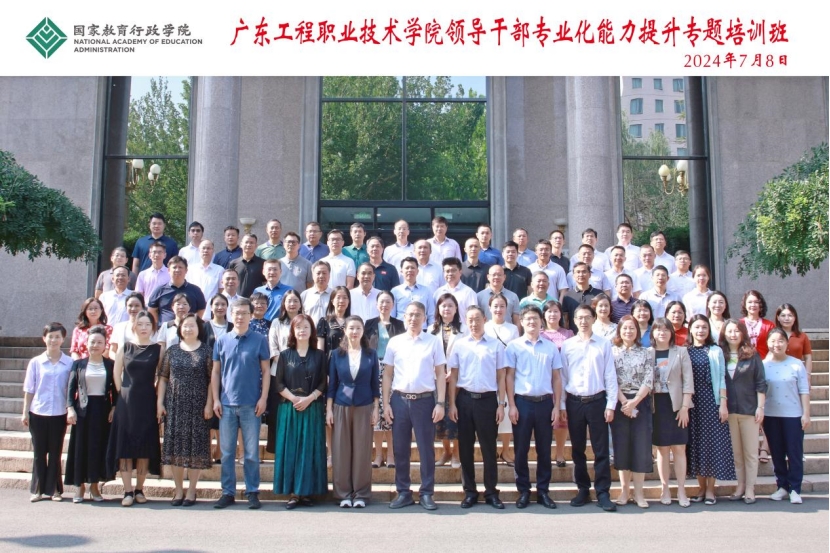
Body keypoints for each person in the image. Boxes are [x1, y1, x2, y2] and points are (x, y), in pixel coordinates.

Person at [382, 302, 447, 511]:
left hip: (425, 401)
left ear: (424, 318)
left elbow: (440, 373)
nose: (413, 318)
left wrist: (440, 403)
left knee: (426, 449)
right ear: (404, 317)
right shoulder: (395, 342)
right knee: (400, 449)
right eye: (410, 315)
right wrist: (386, 404)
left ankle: (427, 492)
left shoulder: (433, 341)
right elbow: (388, 374)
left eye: (418, 315)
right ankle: (403, 492)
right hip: (399, 400)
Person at [211, 298, 271, 509]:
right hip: (227, 404)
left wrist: (263, 398)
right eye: (237, 313)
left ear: (250, 315)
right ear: (231, 315)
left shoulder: (260, 340)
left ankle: (252, 491)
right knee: (227, 452)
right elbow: (216, 372)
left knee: (251, 453)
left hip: (251, 404)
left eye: (245, 313)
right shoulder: (222, 340)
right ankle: (228, 492)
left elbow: (266, 371)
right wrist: (216, 399)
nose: (240, 317)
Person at [559, 304, 618, 511]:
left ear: (593, 319)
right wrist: (562, 404)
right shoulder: (567, 345)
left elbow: (610, 375)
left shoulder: (603, 344)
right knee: (577, 449)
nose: (583, 321)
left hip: (597, 401)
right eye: (579, 318)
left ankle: (603, 492)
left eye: (587, 317)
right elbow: (563, 377)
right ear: (574, 321)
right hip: (574, 402)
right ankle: (583, 489)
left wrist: (611, 404)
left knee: (601, 450)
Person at [448, 306, 507, 509]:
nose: (474, 323)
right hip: (464, 400)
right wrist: (452, 404)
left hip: (488, 401)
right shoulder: (460, 344)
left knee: (489, 449)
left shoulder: (495, 345)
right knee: (465, 449)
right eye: (470, 320)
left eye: (477, 319)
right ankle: (470, 492)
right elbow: (453, 377)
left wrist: (501, 404)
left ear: (485, 319)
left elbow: (501, 376)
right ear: (466, 321)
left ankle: (491, 492)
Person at [506, 305, 563, 509]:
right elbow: (509, 377)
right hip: (522, 403)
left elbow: (557, 378)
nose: (532, 322)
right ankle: (523, 491)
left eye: (535, 319)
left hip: (545, 403)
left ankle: (543, 491)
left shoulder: (550, 347)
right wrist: (512, 405)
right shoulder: (513, 347)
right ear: (521, 322)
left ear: (541, 322)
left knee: (544, 450)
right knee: (521, 449)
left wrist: (557, 406)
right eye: (528, 319)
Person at [107, 311, 162, 507]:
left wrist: (157, 395)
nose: (144, 327)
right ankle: (127, 491)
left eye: (147, 324)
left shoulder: (158, 349)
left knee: (144, 446)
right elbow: (117, 372)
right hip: (126, 401)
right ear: (134, 326)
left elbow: (162, 375)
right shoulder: (126, 347)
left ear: (153, 327)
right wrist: (122, 392)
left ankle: (139, 489)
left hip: (148, 401)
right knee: (125, 446)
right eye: (140, 324)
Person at [157, 314, 213, 506]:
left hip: (198, 406)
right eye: (185, 326)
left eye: (192, 326)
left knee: (196, 448)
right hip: (175, 405)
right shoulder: (172, 351)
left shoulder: (206, 351)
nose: (188, 329)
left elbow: (212, 380)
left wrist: (209, 404)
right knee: (176, 449)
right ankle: (178, 490)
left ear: (199, 329)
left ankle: (191, 491)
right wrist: (160, 403)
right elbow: (163, 378)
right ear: (180, 329)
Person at [273, 314, 328, 509]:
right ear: (293, 331)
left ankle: (307, 492)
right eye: (298, 327)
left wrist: (309, 398)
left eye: (306, 327)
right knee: (292, 449)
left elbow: (323, 382)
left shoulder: (320, 355)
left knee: (309, 449)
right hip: (290, 408)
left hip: (312, 407)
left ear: (312, 330)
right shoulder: (285, 355)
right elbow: (278, 383)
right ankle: (294, 493)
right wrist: (295, 399)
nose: (302, 331)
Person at [326, 316, 380, 508]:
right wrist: (329, 409)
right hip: (341, 404)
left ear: (363, 331)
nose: (355, 332)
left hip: (364, 405)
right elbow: (332, 384)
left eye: (358, 328)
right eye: (351, 328)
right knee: (341, 450)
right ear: (345, 331)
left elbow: (375, 384)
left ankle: (361, 494)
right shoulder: (336, 354)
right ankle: (343, 494)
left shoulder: (371, 354)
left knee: (362, 451)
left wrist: (376, 408)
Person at [685, 315, 735, 505]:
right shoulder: (685, 351)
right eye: (697, 327)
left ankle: (711, 490)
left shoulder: (715, 350)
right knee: (696, 445)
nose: (700, 331)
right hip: (692, 404)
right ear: (691, 329)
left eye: (704, 327)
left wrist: (723, 403)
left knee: (712, 445)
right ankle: (701, 488)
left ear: (709, 330)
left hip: (711, 402)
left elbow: (721, 378)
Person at [22, 322, 72, 502]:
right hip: (38, 412)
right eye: (50, 336)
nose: (54, 340)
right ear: (44, 338)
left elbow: (71, 389)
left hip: (59, 413)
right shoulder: (36, 362)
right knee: (39, 453)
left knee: (55, 453)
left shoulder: (69, 363)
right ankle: (37, 490)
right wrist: (25, 412)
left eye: (57, 336)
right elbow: (29, 389)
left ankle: (55, 490)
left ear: (63, 339)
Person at [65, 326, 116, 503]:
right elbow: (71, 388)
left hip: (102, 410)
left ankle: (94, 486)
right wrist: (70, 408)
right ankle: (79, 487)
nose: (95, 345)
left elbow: (115, 390)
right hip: (82, 410)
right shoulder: (78, 364)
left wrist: (114, 407)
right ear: (86, 343)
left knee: (97, 447)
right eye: (92, 342)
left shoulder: (110, 364)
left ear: (105, 345)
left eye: (99, 342)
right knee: (80, 448)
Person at [719, 317, 766, 504]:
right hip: (729, 410)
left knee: (750, 453)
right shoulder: (720, 354)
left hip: (749, 410)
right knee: (737, 453)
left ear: (743, 333)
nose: (733, 334)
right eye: (729, 331)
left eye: (736, 330)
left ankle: (750, 488)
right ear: (724, 334)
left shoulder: (752, 354)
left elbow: (761, 382)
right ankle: (740, 485)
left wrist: (760, 407)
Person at [610, 316, 654, 508]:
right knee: (622, 447)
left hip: (640, 401)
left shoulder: (646, 352)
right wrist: (624, 402)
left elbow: (649, 378)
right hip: (620, 401)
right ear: (619, 331)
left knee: (640, 448)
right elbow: (610, 378)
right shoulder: (612, 352)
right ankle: (624, 491)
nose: (628, 331)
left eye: (632, 328)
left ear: (637, 331)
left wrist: (635, 402)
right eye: (625, 328)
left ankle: (639, 493)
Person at [763, 328, 811, 504]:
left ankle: (795, 488)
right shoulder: (763, 365)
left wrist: (806, 413)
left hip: (793, 415)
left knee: (794, 452)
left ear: (787, 343)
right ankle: (782, 486)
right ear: (767, 343)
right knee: (776, 452)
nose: (777, 344)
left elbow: (804, 390)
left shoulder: (796, 364)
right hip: (770, 415)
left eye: (780, 341)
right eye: (773, 341)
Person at [650, 318, 694, 507]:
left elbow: (688, 382)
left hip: (676, 405)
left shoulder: (681, 352)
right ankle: (665, 488)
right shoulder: (648, 353)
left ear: (671, 332)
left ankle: (682, 489)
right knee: (662, 449)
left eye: (666, 330)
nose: (662, 333)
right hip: (656, 405)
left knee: (679, 448)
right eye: (658, 330)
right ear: (653, 333)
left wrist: (685, 407)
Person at [365, 291, 405, 469]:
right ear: (376, 304)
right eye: (381, 302)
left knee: (390, 413)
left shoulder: (400, 325)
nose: (384, 305)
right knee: (376, 414)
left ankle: (390, 454)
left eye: (388, 302)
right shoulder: (369, 324)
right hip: (373, 371)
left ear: (393, 304)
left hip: (393, 372)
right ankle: (378, 455)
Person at [265, 289, 304, 455]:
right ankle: (276, 448)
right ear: (284, 304)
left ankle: (296, 448)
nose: (292, 304)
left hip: (301, 374)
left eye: (295, 301)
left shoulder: (306, 321)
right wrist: (287, 366)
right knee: (277, 412)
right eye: (289, 301)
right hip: (278, 373)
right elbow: (273, 348)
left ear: (300, 304)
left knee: (297, 410)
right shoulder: (276, 323)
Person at [484, 293, 520, 467]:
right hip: (487, 376)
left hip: (506, 374)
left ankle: (505, 451)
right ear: (489, 308)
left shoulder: (512, 329)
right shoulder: (484, 327)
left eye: (502, 306)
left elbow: (514, 352)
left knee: (505, 416)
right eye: (495, 306)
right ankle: (490, 451)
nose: (498, 309)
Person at [431, 293, 465, 469]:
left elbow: (466, 354)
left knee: (455, 416)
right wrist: (437, 371)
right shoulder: (431, 329)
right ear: (438, 308)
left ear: (456, 308)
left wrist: (453, 372)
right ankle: (446, 451)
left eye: (450, 306)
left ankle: (457, 453)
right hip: (436, 379)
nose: (447, 309)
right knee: (441, 419)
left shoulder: (464, 329)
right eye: (443, 306)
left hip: (457, 380)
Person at [540, 300, 572, 468]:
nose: (552, 314)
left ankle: (560, 453)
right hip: (544, 381)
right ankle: (543, 454)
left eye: (555, 311)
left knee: (562, 419)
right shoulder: (539, 334)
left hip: (563, 379)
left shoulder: (569, 334)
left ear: (561, 314)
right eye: (549, 311)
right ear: (543, 315)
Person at [203, 293, 234, 463]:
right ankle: (206, 451)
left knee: (224, 415)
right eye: (217, 304)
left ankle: (221, 452)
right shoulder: (204, 327)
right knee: (207, 415)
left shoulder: (233, 327)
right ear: (211, 307)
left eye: (223, 304)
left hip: (228, 376)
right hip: (205, 376)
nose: (220, 307)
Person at [148, 256, 207, 324]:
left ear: (186, 270)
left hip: (188, 328)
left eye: (180, 267)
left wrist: (193, 323)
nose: (177, 270)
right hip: (165, 328)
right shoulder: (160, 290)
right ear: (168, 270)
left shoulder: (196, 290)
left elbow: (201, 309)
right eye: (174, 267)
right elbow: (152, 310)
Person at [391, 257, 435, 328]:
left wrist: (431, 331)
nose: (410, 270)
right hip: (401, 330)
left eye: (412, 268)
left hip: (422, 330)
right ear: (401, 271)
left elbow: (431, 315)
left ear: (417, 271)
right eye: (407, 268)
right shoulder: (395, 291)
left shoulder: (426, 291)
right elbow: (392, 315)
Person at [562, 261, 604, 333]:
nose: (581, 274)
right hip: (574, 335)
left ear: (590, 274)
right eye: (578, 272)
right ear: (573, 275)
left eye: (584, 272)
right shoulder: (568, 296)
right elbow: (566, 319)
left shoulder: (599, 294)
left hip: (596, 334)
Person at [187, 240, 224, 320]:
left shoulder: (219, 270)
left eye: (208, 248)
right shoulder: (190, 269)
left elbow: (221, 291)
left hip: (212, 309)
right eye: (203, 248)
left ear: (213, 251)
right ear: (199, 250)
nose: (206, 251)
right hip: (193, 307)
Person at [434, 257, 478, 323]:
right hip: (442, 328)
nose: (450, 274)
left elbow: (473, 315)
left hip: (462, 329)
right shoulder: (438, 293)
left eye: (453, 270)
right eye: (447, 271)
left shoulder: (469, 293)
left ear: (460, 272)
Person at [775, 303, 813, 379]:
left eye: (790, 315)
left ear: (794, 318)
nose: (786, 318)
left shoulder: (802, 336)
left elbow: (808, 357)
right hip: (777, 373)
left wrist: (808, 375)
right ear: (778, 317)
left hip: (796, 374)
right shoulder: (773, 335)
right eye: (783, 315)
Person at [740, 290, 776, 359]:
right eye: (750, 302)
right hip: (743, 361)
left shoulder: (769, 325)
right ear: (745, 304)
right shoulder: (739, 324)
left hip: (765, 361)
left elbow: (774, 346)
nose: (753, 305)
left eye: (756, 302)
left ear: (761, 305)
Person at [230, 234, 266, 298]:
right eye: (246, 242)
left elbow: (266, 283)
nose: (248, 245)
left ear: (256, 246)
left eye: (251, 243)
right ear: (241, 244)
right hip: (237, 300)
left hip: (256, 300)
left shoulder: (263, 263)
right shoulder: (234, 263)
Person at [300, 260, 333, 326]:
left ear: (329, 275)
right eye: (318, 273)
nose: (321, 276)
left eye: (324, 273)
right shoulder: (304, 295)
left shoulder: (334, 295)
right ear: (313, 276)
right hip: (309, 331)